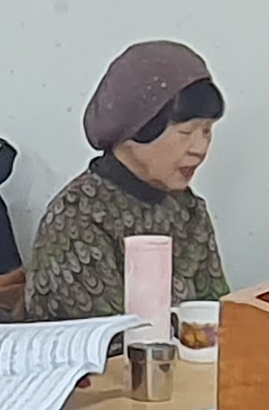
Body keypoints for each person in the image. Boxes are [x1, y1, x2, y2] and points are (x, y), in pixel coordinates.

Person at [22, 41, 230, 323]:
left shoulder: (189, 210)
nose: (200, 148)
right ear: (137, 130)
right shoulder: (78, 218)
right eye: (186, 132)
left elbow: (218, 316)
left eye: (206, 131)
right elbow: (109, 335)